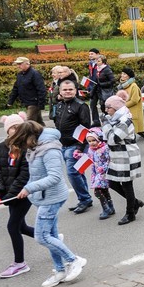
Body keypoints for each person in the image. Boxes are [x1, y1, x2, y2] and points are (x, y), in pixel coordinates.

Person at [8, 121, 87, 287]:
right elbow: (35, 174)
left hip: (52, 198)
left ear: (29, 137)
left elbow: (55, 177)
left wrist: (29, 188)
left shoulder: (50, 150)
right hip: (42, 197)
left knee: (42, 237)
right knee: (51, 235)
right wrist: (26, 188)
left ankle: (74, 260)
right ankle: (60, 270)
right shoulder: (35, 147)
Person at [0, 112, 34, 278]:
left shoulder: (27, 147)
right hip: (9, 194)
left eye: (18, 126)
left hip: (22, 194)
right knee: (21, 227)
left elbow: (25, 174)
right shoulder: (0, 147)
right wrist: (1, 190)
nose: (15, 129)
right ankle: (52, 238)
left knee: (13, 226)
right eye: (12, 127)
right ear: (7, 129)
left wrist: (12, 194)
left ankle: (20, 264)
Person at [52, 79, 94, 215]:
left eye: (70, 89)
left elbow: (86, 128)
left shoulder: (81, 106)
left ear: (75, 90)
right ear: (60, 91)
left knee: (72, 173)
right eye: (65, 89)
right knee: (78, 172)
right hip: (63, 145)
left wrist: (80, 148)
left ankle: (84, 199)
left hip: (75, 146)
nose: (68, 92)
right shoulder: (59, 105)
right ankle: (85, 198)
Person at [101, 95, 144, 224]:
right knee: (112, 182)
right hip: (117, 156)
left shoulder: (125, 120)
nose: (106, 110)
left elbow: (112, 139)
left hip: (127, 155)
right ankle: (135, 202)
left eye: (108, 107)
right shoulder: (113, 119)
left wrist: (105, 124)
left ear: (116, 108)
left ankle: (130, 213)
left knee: (127, 185)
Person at [74, 128, 115, 219]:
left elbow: (109, 160)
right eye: (89, 141)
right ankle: (110, 207)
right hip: (96, 173)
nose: (92, 143)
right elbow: (89, 157)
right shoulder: (90, 149)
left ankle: (106, 209)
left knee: (98, 191)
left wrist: (103, 168)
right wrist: (79, 155)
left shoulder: (105, 148)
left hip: (103, 173)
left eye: (94, 140)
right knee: (104, 190)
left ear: (99, 139)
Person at [117, 68, 144, 152]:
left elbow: (135, 100)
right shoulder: (122, 86)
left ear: (129, 76)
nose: (122, 75)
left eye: (125, 74)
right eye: (122, 74)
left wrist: (123, 105)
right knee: (139, 130)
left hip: (134, 112)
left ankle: (131, 149)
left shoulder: (133, 86)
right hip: (126, 112)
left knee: (135, 130)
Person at [7, 57, 46, 125]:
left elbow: (41, 89)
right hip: (27, 102)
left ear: (27, 64)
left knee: (28, 123)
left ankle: (29, 135)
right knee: (38, 122)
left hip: (34, 102)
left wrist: (41, 104)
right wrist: (10, 101)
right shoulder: (20, 74)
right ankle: (44, 133)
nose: (18, 66)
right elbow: (16, 88)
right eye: (17, 64)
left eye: (20, 64)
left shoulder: (35, 74)